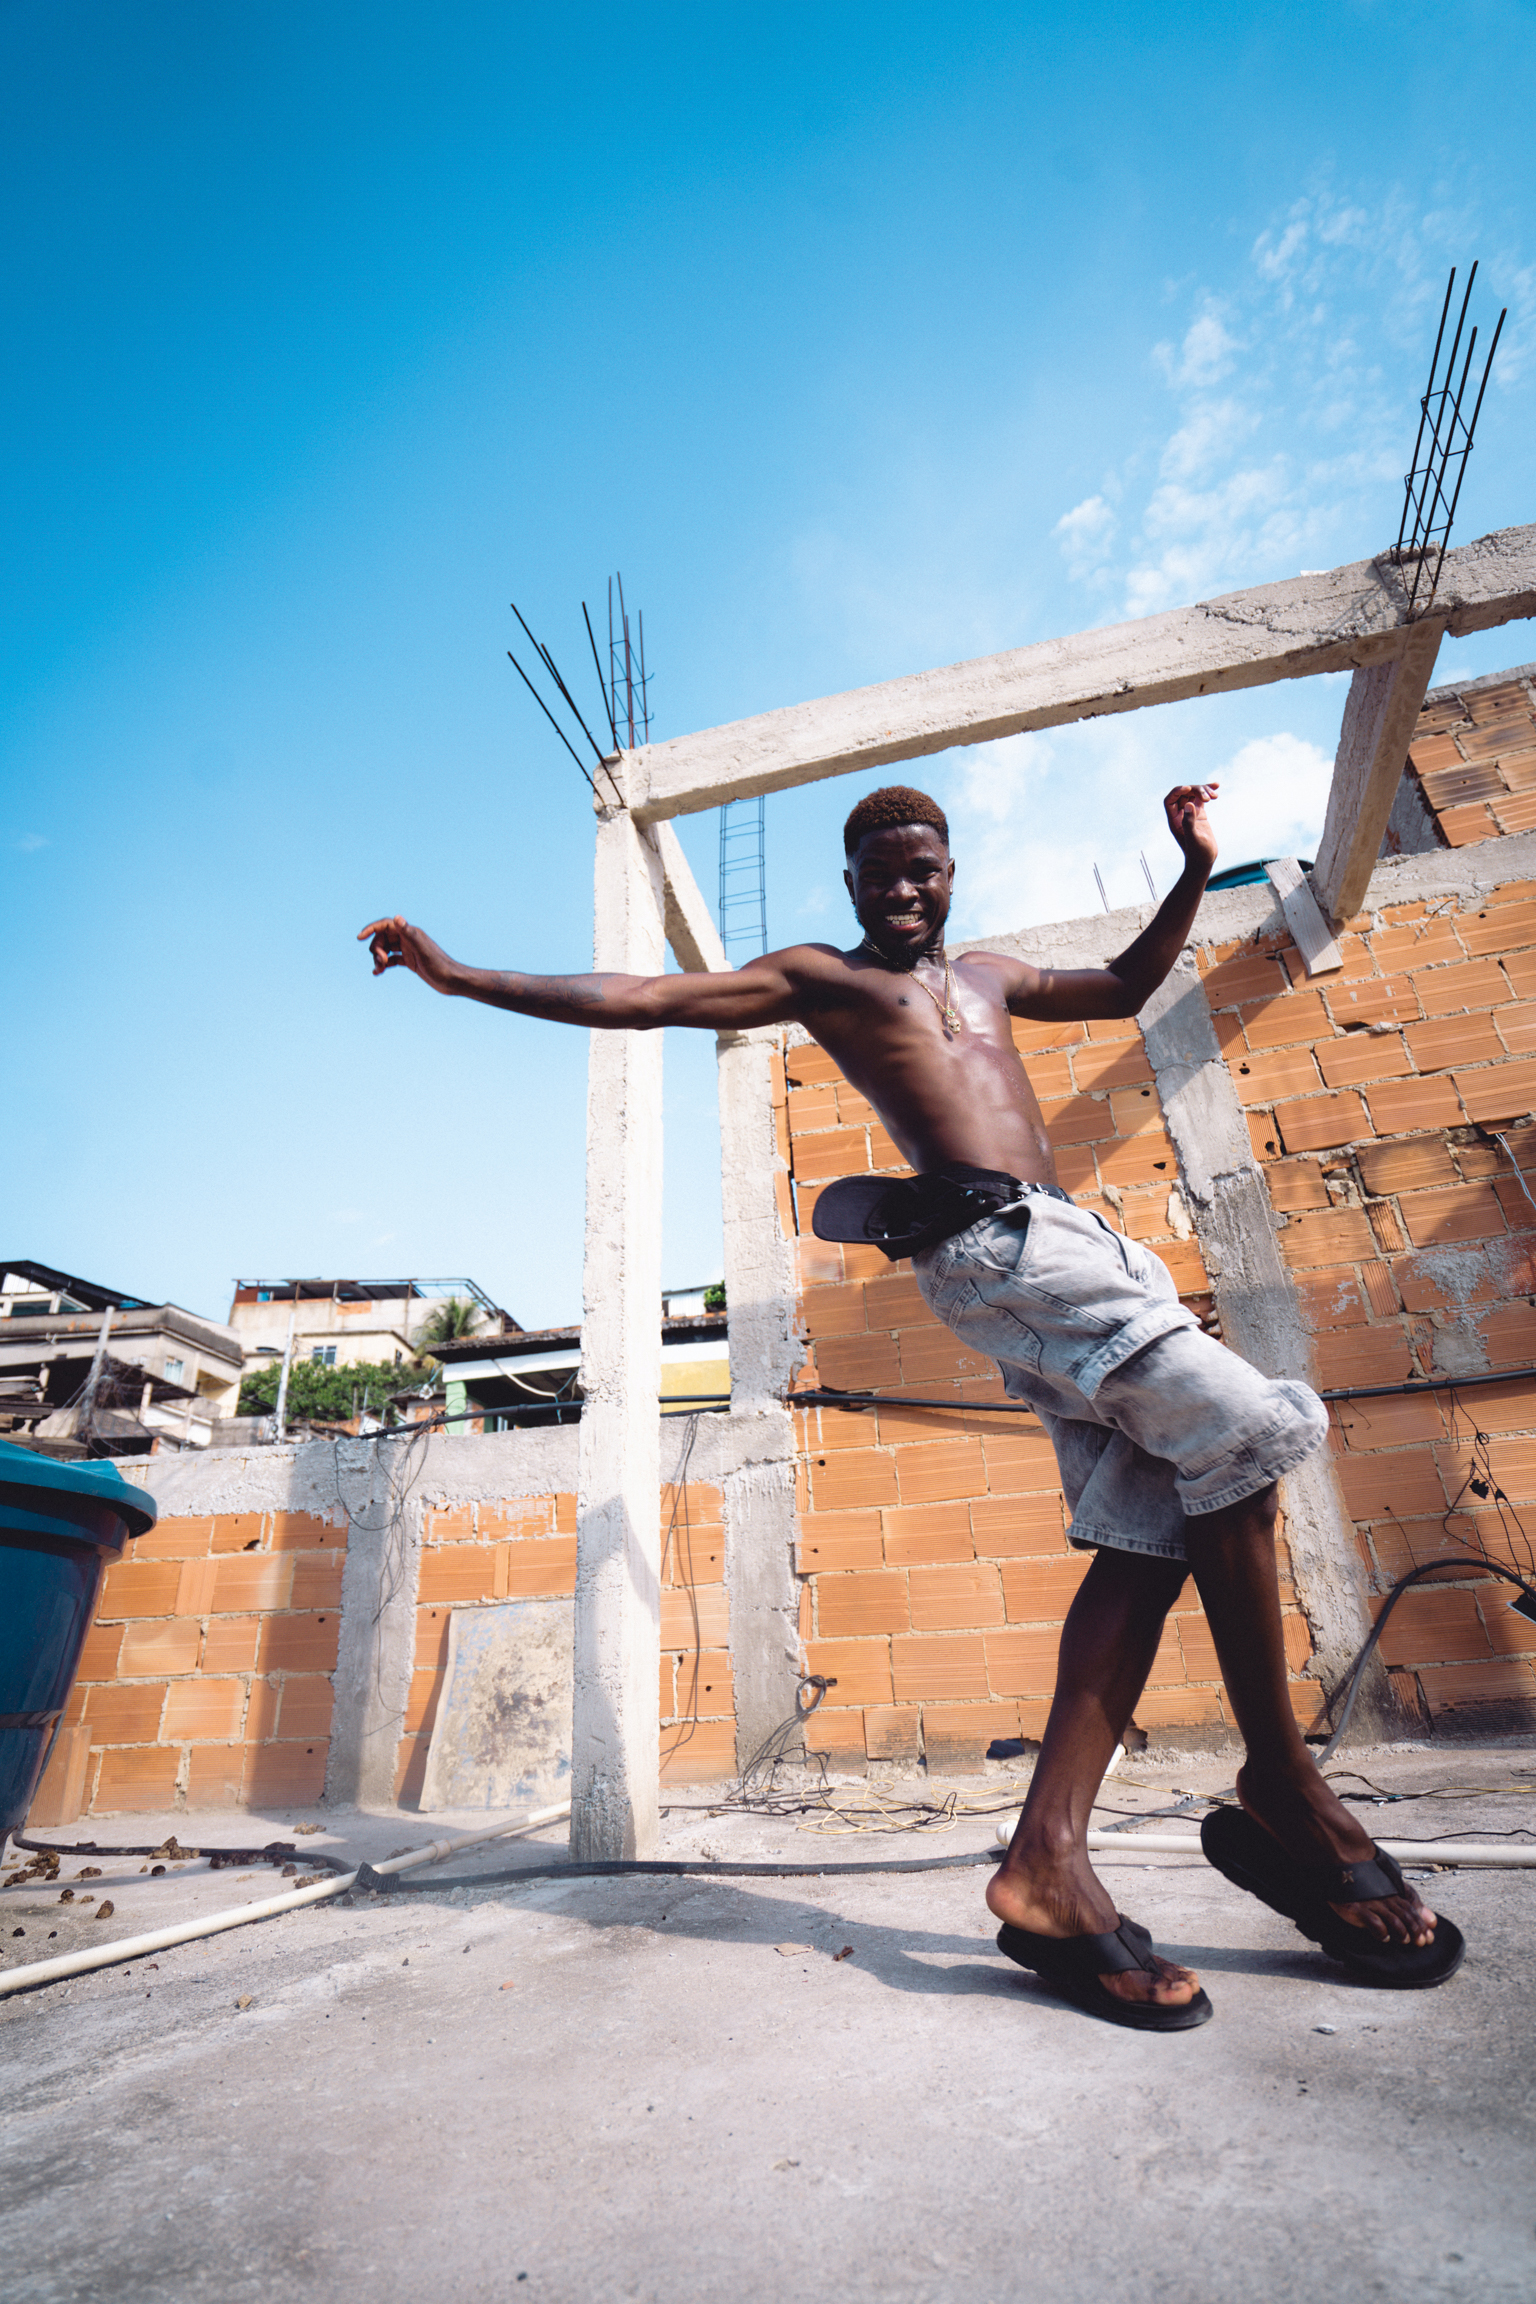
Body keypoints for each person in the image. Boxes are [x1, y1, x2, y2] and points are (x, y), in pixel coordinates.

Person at [361, 779, 1461, 2028]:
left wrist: (1194, 869)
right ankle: (1284, 1784)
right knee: (1248, 1431)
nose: (903, 891)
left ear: (950, 873)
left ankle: (1049, 1858)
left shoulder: (988, 977)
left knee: (1154, 1530)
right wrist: (463, 979)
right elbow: (647, 1000)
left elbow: (1118, 986)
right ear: (851, 888)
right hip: (1001, 1247)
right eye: (880, 875)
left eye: (922, 870)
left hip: (1076, 1244)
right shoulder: (826, 979)